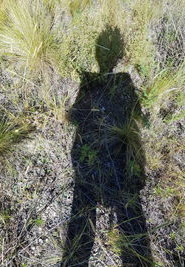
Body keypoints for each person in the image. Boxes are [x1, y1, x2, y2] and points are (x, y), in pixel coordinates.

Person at [61, 24, 152, 267]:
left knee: (82, 207)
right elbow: (137, 114)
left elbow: (75, 117)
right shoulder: (123, 80)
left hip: (87, 161)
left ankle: (74, 261)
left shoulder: (96, 81)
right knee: (129, 212)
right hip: (118, 162)